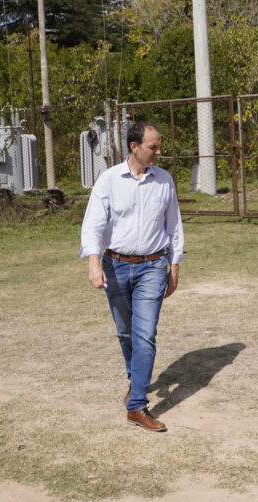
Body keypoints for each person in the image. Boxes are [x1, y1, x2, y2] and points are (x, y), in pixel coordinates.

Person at [80, 121, 184, 432]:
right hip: (116, 266)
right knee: (126, 333)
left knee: (145, 335)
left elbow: (174, 227)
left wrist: (174, 267)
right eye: (153, 146)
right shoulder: (109, 180)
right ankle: (134, 377)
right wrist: (93, 263)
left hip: (153, 266)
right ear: (134, 147)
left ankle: (137, 405)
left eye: (159, 145)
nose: (158, 152)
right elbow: (94, 225)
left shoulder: (164, 181)